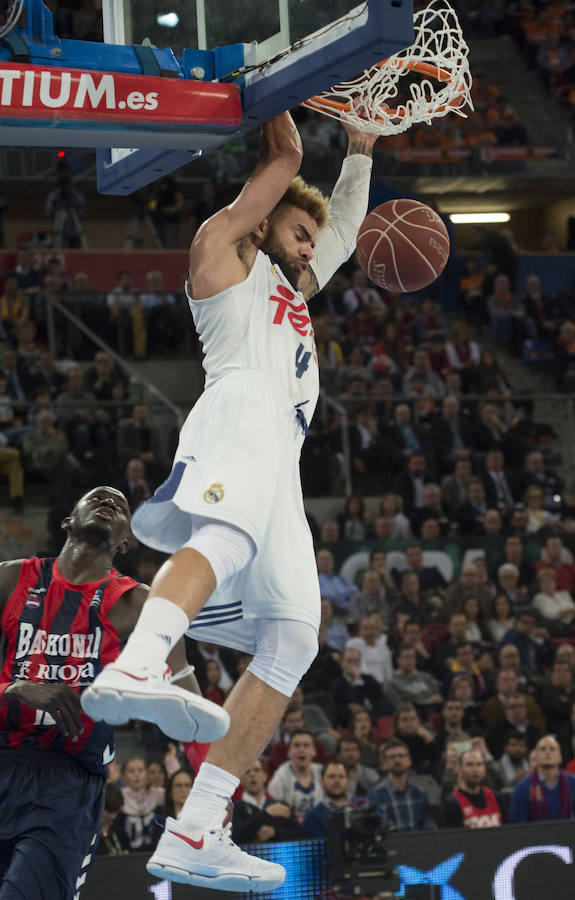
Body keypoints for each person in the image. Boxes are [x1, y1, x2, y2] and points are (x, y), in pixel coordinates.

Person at [84, 112, 378, 890]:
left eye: (312, 240)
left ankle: (197, 826)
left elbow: (344, 230)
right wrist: (272, 86)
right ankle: (141, 661)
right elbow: (282, 152)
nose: (312, 246)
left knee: (294, 639)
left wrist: (360, 151)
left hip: (283, 452)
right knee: (231, 540)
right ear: (262, 218)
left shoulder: (293, 287)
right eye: (298, 229)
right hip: (241, 406)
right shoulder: (221, 250)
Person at [0, 486, 202, 899]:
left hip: (66, 786)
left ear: (126, 540)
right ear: (68, 520)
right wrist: (14, 690)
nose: (109, 500)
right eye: (96, 496)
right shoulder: (9, 577)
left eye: (121, 505)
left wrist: (214, 789)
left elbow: (190, 703)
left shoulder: (143, 604)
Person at [366, 738, 435, 831]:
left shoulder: (420, 793)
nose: (397, 760)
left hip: (418, 843)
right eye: (392, 757)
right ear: (384, 763)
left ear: (409, 761)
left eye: (401, 756)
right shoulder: (375, 795)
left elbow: (429, 827)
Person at [232, 757, 302, 844]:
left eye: (257, 770)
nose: (252, 774)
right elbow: (236, 836)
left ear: (265, 776)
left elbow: (299, 835)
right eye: (247, 772)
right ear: (241, 780)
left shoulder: (280, 806)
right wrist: (267, 813)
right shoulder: (234, 808)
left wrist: (274, 832)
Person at [510, 734, 575, 822]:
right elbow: (518, 827)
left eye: (552, 749)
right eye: (543, 749)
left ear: (560, 758)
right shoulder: (521, 788)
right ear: (536, 757)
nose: (547, 752)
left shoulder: (573, 783)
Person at [267, 730, 324, 825]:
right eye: (297, 745)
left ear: (314, 751)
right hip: (290, 832)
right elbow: (274, 816)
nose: (301, 750)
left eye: (306, 745)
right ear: (289, 751)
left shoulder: (323, 773)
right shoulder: (279, 780)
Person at [442, 749, 503, 828]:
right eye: (469, 765)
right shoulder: (452, 803)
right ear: (460, 769)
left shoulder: (496, 797)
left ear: (484, 769)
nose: (475, 769)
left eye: (479, 764)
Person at [304, 761, 352, 838]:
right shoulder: (313, 816)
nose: (337, 781)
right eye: (332, 776)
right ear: (322, 782)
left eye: (341, 777)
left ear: (348, 782)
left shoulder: (361, 805)